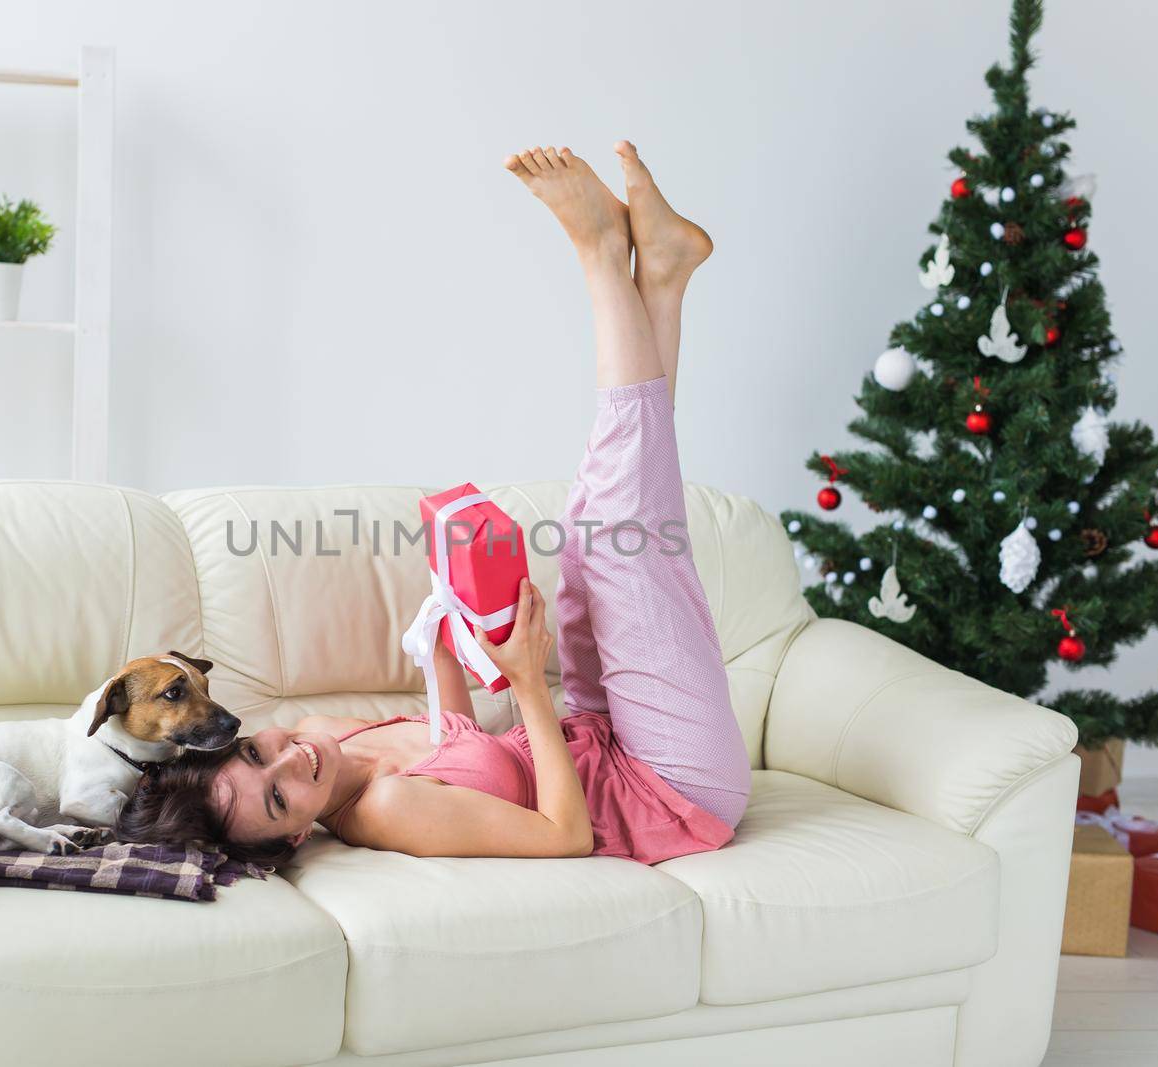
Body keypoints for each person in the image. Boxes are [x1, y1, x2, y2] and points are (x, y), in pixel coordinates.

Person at [119, 142, 749, 867]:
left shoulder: (327, 730)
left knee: (592, 536)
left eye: (260, 750)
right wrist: (523, 682)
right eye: (279, 798)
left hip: (602, 734)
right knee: (618, 536)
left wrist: (450, 624)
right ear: (296, 834)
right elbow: (565, 836)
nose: (293, 762)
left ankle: (663, 279)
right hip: (670, 787)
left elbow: (458, 742)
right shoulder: (387, 810)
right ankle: (603, 255)